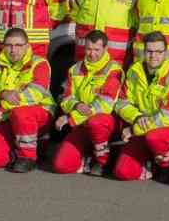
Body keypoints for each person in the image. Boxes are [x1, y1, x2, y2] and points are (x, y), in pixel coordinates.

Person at [111, 32, 169, 182]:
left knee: (155, 137)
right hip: (140, 125)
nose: (154, 56)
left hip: (162, 131)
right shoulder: (134, 72)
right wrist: (137, 117)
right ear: (144, 52)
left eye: (159, 52)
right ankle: (147, 163)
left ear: (166, 53)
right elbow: (121, 103)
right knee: (122, 172)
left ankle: (167, 165)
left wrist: (134, 129)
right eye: (150, 51)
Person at [0, 27, 55, 172]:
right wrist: (2, 94)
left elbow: (34, 95)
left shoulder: (40, 64)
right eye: (9, 45)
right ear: (3, 46)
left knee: (21, 114)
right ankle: (17, 148)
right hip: (4, 119)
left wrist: (2, 107)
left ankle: (28, 158)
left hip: (37, 116)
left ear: (27, 46)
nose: (13, 50)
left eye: (18, 45)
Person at [52, 30, 123, 176]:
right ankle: (88, 157)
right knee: (61, 165)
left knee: (97, 121)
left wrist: (71, 118)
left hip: (104, 125)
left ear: (105, 49)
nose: (92, 54)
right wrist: (77, 105)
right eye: (89, 49)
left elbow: (105, 105)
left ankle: (104, 160)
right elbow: (65, 98)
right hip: (81, 124)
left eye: (97, 50)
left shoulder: (114, 70)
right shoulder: (75, 69)